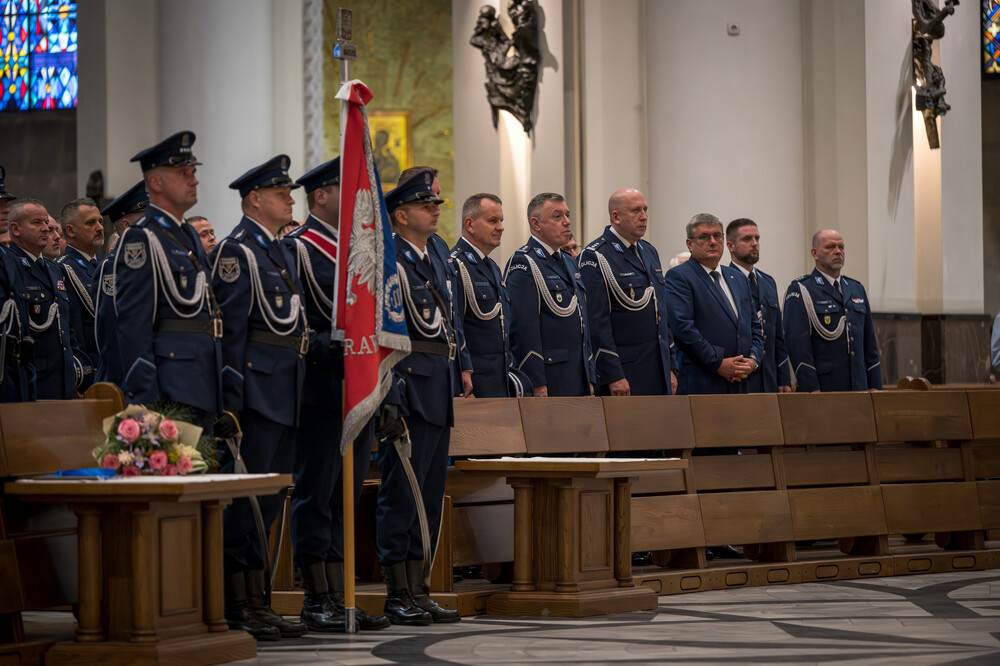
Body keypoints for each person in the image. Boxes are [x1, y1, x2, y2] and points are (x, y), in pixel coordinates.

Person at [283, 157, 389, 632]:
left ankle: (344, 593)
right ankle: (315, 596)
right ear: (320, 196)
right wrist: (332, 348)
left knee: (347, 494)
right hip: (322, 388)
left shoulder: (358, 249)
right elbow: (294, 320)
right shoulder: (300, 249)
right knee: (317, 493)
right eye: (342, 190)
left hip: (359, 388)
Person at [212, 155, 309, 640]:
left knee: (269, 503)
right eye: (281, 193)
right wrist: (231, 401)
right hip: (255, 393)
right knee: (245, 503)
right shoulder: (237, 251)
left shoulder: (280, 250)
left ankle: (260, 599)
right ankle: (238, 604)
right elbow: (229, 334)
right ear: (255, 199)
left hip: (286, 389)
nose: (291, 199)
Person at [378, 170, 461, 625]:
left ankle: (420, 588)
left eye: (435, 204)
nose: (435, 210)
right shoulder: (389, 259)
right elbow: (386, 334)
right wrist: (391, 393)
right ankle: (397, 593)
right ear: (401, 214)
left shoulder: (437, 256)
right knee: (401, 495)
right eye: (426, 205)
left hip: (439, 384)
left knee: (429, 494)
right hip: (408, 385)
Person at [114, 132, 223, 423]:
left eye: (193, 172)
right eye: (182, 173)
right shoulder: (142, 238)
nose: (194, 180)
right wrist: (146, 398)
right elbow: (133, 324)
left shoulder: (186, 234)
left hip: (203, 381)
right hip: (169, 389)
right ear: (155, 183)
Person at [579, 188, 676, 397]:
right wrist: (612, 374)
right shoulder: (595, 256)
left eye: (645, 209)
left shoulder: (648, 251)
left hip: (657, 367)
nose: (644, 216)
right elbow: (597, 323)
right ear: (616, 217)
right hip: (626, 371)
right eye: (635, 211)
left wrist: (671, 365)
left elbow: (661, 311)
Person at [504, 192, 594, 397]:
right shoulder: (524, 263)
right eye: (557, 216)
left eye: (567, 215)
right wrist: (535, 381)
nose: (567, 222)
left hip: (578, 374)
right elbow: (524, 328)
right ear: (536, 224)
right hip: (550, 376)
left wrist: (589, 375)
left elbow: (582, 323)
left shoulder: (570, 262)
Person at [664, 213, 764, 396]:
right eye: (704, 237)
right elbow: (683, 328)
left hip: (741, 381)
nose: (712, 242)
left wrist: (752, 359)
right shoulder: (680, 276)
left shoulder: (737, 277)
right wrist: (718, 363)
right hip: (702, 382)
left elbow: (754, 326)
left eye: (717, 236)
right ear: (689, 244)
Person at [397, 166, 470, 398]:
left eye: (437, 195)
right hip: (414, 368)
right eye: (428, 200)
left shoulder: (438, 244)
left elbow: (451, 310)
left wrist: (463, 363)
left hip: (446, 362)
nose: (437, 204)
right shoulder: (392, 250)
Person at [783, 229, 882, 392]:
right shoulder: (801, 290)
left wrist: (874, 385)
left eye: (841, 247)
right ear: (815, 253)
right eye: (830, 247)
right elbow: (798, 347)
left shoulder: (856, 289)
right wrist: (811, 388)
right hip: (824, 388)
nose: (838, 252)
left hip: (859, 387)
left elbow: (869, 342)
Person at [450, 193, 526, 398]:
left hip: (499, 380)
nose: (500, 227)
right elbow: (454, 327)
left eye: (501, 221)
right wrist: (461, 376)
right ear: (470, 224)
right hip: (474, 383)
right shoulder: (456, 265)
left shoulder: (492, 266)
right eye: (493, 221)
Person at [8, 199, 86, 399]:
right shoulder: (10, 267)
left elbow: (66, 327)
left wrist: (77, 369)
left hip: (65, 379)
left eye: (46, 223)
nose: (45, 228)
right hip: (34, 381)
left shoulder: (54, 268)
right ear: (15, 229)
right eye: (37, 223)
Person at [725, 218, 791, 393]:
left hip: (769, 376)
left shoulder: (768, 282)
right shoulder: (724, 280)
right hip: (740, 375)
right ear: (730, 246)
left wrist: (783, 377)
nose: (754, 244)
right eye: (747, 239)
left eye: (757, 238)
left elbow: (778, 335)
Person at [93, 181, 147, 385]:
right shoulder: (113, 266)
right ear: (127, 225)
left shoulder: (152, 260)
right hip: (126, 376)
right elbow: (109, 331)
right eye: (147, 219)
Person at [57, 197, 105, 390]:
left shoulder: (104, 267)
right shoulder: (64, 269)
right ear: (70, 230)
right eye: (91, 223)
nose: (100, 227)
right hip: (91, 372)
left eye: (100, 221)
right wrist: (82, 375)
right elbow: (72, 329)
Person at [0, 168, 33, 402]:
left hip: (14, 374)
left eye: (6, 203)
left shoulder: (10, 257)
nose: (6, 210)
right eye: (0, 204)